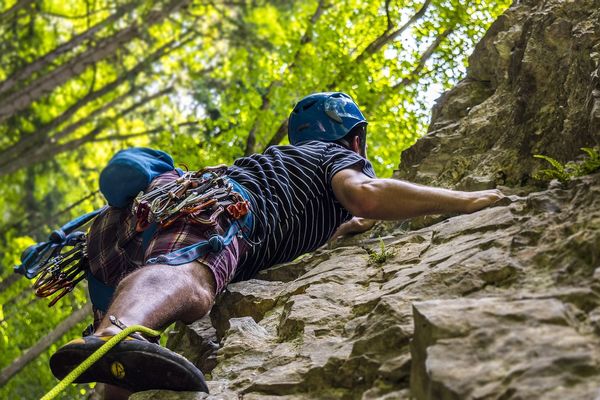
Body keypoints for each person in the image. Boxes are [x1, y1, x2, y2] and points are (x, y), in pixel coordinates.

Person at [49, 92, 503, 398]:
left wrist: (349, 226)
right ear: (355, 139)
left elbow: (342, 219)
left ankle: (110, 360)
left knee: (127, 347)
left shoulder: (288, 167)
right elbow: (366, 194)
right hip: (219, 206)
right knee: (193, 277)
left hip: (118, 234)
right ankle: (113, 334)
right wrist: (468, 200)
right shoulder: (335, 157)